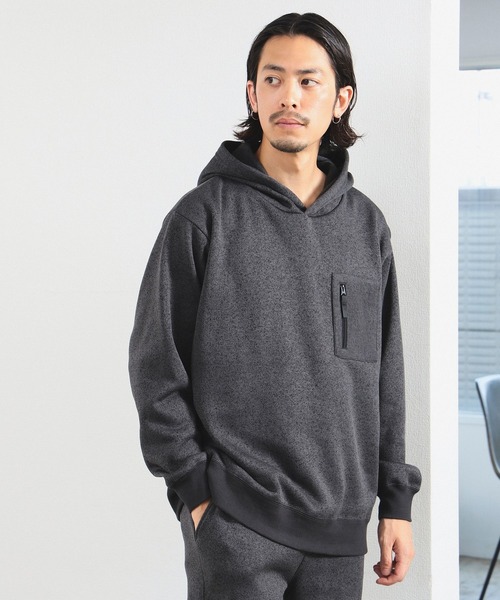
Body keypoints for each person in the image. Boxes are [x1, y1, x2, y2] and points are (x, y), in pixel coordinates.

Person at [129, 12, 422, 600]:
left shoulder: (367, 227)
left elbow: (383, 373)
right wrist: (196, 492)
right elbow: (155, 367)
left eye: (308, 81)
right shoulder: (201, 217)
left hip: (341, 530)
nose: (289, 96)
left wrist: (396, 499)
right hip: (235, 522)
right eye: (273, 79)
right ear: (252, 94)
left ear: (341, 100)